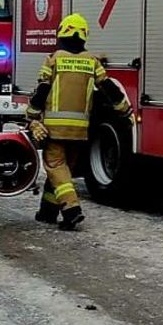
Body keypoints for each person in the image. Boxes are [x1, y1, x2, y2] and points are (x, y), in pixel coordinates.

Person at [26, 12, 131, 230]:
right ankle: (47, 211)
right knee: (62, 172)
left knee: (56, 167)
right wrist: (124, 109)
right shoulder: (92, 61)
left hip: (55, 129)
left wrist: (33, 115)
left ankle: (71, 210)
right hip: (80, 131)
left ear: (61, 34)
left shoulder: (54, 59)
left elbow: (42, 90)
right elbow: (108, 88)